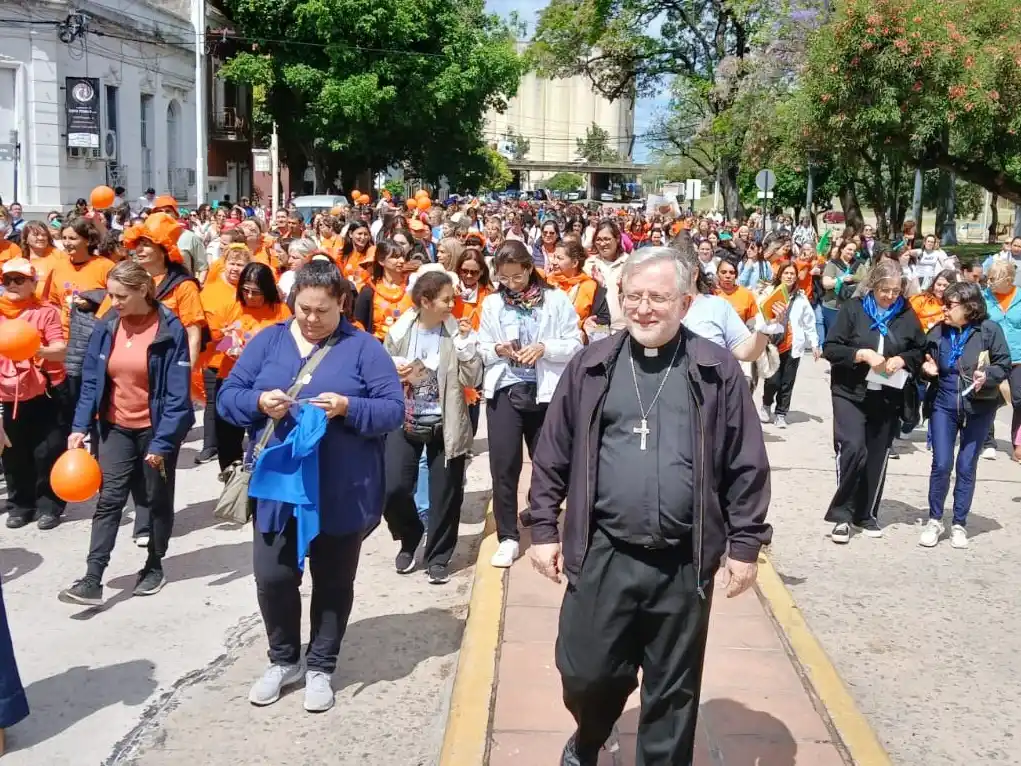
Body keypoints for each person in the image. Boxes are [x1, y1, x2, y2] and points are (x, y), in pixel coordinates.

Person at [526, 246, 772, 766]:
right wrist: (543, 528)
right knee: (586, 672)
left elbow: (746, 461)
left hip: (683, 559)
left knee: (673, 691)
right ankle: (590, 734)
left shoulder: (716, 369)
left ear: (684, 303)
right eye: (633, 296)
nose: (643, 309)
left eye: (657, 298)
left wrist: (745, 544)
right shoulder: (591, 365)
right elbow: (552, 452)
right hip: (604, 551)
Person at [216, 261, 404, 713]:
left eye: (323, 310)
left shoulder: (364, 348)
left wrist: (348, 406)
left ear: (342, 304)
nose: (312, 319)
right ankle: (283, 659)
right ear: (292, 302)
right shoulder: (269, 341)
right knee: (273, 577)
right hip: (278, 488)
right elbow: (227, 398)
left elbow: (393, 409)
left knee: (334, 581)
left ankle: (321, 664)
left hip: (340, 487)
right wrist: (259, 402)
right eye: (304, 309)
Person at [58, 261, 195, 606]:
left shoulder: (170, 329)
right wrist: (78, 428)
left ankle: (154, 565)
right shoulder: (107, 325)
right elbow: (91, 381)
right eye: (111, 294)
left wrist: (163, 443)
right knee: (109, 499)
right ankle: (92, 578)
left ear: (143, 291)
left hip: (155, 430)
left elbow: (178, 395)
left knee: (155, 499)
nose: (114, 302)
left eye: (121, 296)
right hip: (114, 427)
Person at [478, 241, 582, 568]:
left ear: (528, 269)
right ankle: (508, 537)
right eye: (504, 278)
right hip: (506, 389)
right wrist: (498, 349)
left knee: (549, 463)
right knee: (504, 465)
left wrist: (544, 348)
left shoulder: (556, 300)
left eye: (517, 277)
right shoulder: (493, 304)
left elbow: (575, 343)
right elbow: (481, 347)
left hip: (546, 392)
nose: (511, 284)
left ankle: (542, 520)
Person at [382, 271, 481, 584]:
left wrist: (466, 347)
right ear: (425, 301)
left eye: (453, 298)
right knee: (393, 488)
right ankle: (410, 535)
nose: (453, 304)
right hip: (404, 420)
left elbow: (473, 378)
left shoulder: (455, 333)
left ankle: (438, 556)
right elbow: (380, 374)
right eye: (446, 299)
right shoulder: (400, 332)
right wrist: (395, 372)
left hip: (445, 423)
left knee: (445, 495)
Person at [822, 260, 926, 543]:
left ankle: (865, 514)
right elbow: (831, 348)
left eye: (895, 291)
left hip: (887, 394)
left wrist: (902, 359)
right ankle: (842, 515)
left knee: (877, 454)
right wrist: (862, 355)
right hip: (850, 390)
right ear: (873, 286)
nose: (890, 296)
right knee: (853, 448)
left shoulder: (906, 313)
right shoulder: (853, 310)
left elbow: (920, 350)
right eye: (884, 290)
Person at [918, 281, 1010, 549]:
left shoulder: (989, 330)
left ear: (969, 307)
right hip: (943, 405)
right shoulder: (938, 331)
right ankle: (935, 520)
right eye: (944, 304)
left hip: (979, 408)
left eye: (950, 305)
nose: (944, 309)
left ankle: (959, 523)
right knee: (942, 464)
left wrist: (988, 375)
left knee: (967, 465)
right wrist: (926, 370)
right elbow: (922, 362)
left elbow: (1004, 363)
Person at [0, 259, 68, 530]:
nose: (12, 285)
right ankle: (20, 505)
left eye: (19, 280)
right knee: (12, 452)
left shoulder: (45, 312)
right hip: (6, 393)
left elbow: (60, 350)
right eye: (7, 280)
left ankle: (49, 506)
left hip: (43, 392)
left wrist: (33, 349)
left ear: (32, 283)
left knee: (47, 451)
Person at [758, 261, 820, 428]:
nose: (789, 276)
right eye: (786, 273)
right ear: (780, 275)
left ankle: (781, 413)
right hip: (773, 343)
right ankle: (766, 404)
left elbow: (809, 322)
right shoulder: (770, 293)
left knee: (787, 382)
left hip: (792, 345)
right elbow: (760, 314)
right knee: (772, 380)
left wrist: (814, 344)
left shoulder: (801, 297)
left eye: (792, 274)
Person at [981, 260, 1021, 460]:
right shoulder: (984, 297)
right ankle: (988, 441)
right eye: (988, 278)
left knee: (1019, 399)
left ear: (1008, 280)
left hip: (1018, 356)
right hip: (992, 358)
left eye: (993, 279)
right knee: (987, 398)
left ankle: (1018, 443)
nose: (989, 282)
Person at [546, 238, 611, 341]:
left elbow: (605, 326)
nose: (553, 262)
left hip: (580, 345)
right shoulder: (547, 283)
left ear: (574, 263)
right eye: (554, 257)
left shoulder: (592, 288)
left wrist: (588, 328)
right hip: (548, 345)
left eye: (559, 258)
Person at [354, 240, 413, 341]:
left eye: (403, 256)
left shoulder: (411, 286)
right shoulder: (369, 291)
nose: (402, 260)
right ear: (381, 261)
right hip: (377, 345)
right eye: (395, 257)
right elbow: (358, 324)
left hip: (405, 345)